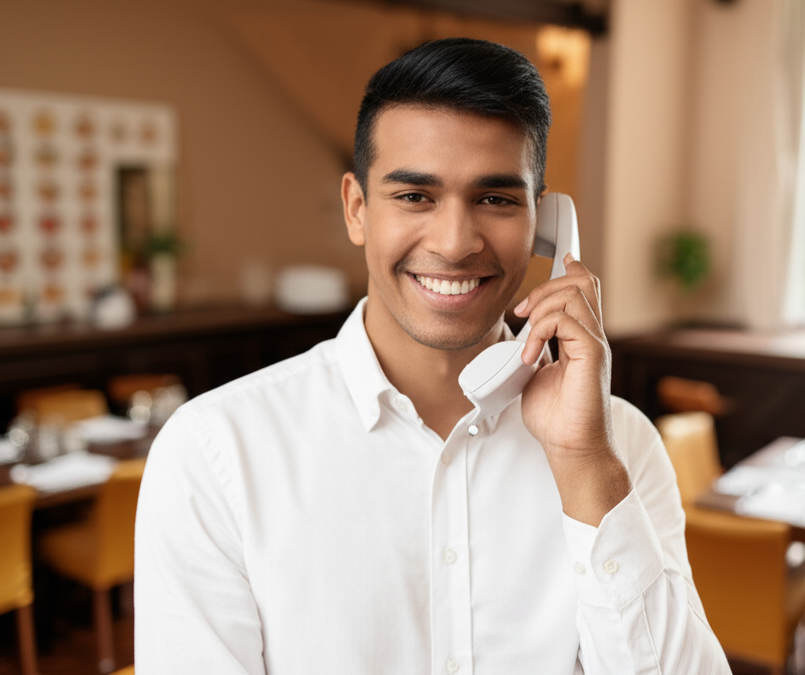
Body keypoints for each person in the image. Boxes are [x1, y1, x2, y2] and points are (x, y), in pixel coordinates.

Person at [135, 37, 730, 674]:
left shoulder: (622, 448)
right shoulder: (214, 452)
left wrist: (586, 466)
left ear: (545, 223)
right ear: (357, 209)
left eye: (496, 199)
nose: (454, 243)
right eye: (415, 197)